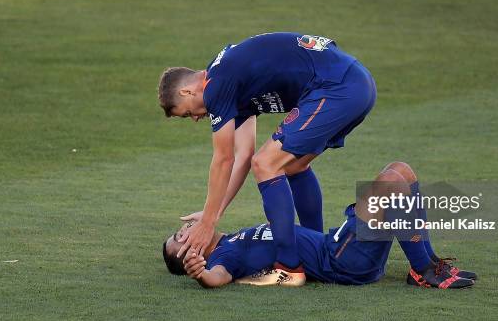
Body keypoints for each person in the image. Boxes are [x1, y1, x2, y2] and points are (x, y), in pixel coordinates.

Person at [157, 32, 377, 286]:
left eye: (186, 114)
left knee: (266, 164)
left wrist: (209, 222)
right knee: (293, 165)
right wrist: (214, 212)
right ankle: (316, 247)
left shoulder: (216, 85)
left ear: (186, 91)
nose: (195, 119)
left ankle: (289, 267)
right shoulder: (227, 82)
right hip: (355, 83)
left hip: (337, 87)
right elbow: (242, 157)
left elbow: (223, 158)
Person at [162, 162, 477, 289]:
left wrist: (207, 216)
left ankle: (429, 262)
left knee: (401, 171)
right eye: (181, 239)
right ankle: (423, 272)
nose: (185, 230)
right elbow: (217, 278)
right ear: (191, 251)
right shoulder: (223, 257)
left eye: (179, 230)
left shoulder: (231, 238)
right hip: (342, 259)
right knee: (391, 183)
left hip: (339, 247)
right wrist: (200, 273)